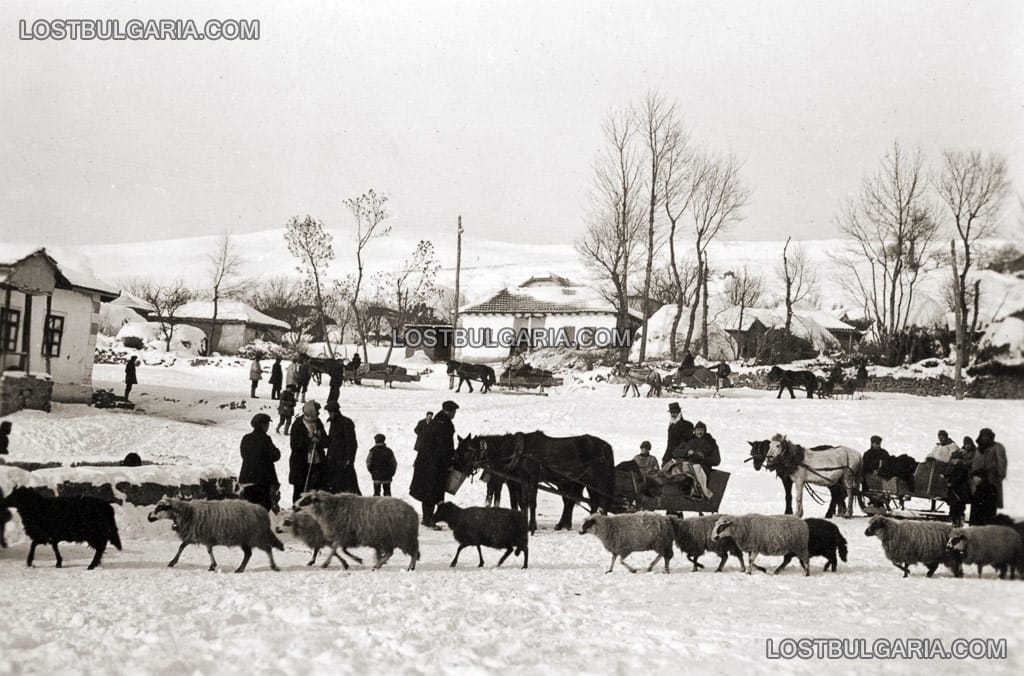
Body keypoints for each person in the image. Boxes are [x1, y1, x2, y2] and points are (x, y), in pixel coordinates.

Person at [410, 400, 458, 529]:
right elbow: (444, 446)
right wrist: (449, 461)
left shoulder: (436, 421)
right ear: (449, 411)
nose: (455, 414)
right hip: (434, 464)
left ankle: (431, 517)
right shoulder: (443, 424)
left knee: (432, 491)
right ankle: (428, 519)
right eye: (454, 412)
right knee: (432, 491)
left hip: (428, 462)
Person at [663, 421, 719, 499]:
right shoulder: (688, 440)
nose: (700, 432)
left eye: (702, 430)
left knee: (696, 467)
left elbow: (716, 460)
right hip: (687, 465)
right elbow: (675, 452)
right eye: (698, 430)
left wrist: (703, 457)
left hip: (702, 467)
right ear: (694, 431)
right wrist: (686, 452)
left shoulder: (710, 442)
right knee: (673, 465)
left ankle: (699, 492)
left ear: (705, 431)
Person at [239, 413, 282, 512]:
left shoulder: (246, 438)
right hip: (262, 481)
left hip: (247, 479)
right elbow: (275, 456)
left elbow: (243, 454)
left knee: (249, 510)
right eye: (267, 424)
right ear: (262, 425)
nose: (268, 427)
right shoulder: (265, 439)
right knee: (262, 510)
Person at [288, 401, 328, 504]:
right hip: (301, 463)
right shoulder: (298, 424)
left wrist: (320, 439)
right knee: (300, 489)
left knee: (316, 488)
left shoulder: (318, 422)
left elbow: (325, 441)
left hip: (317, 462)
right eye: (317, 411)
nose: (318, 414)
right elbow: (294, 445)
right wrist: (308, 440)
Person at [324, 401, 361, 495]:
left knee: (349, 487)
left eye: (330, 412)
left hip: (342, 460)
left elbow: (351, 442)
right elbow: (332, 440)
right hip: (332, 459)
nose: (330, 414)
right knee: (334, 486)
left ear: (335, 411)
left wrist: (349, 458)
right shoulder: (333, 422)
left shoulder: (346, 423)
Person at [973, 428, 1007, 509]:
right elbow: (975, 462)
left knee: (990, 500)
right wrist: (974, 474)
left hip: (991, 477)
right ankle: (977, 520)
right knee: (978, 500)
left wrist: (1000, 475)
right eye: (983, 436)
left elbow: (1001, 461)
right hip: (979, 478)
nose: (985, 438)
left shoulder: (997, 447)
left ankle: (988, 519)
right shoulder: (978, 449)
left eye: (987, 436)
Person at [661, 402, 694, 466]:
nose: (673, 414)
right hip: (671, 455)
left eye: (675, 412)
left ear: (679, 413)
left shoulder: (688, 425)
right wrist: (665, 457)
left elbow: (689, 443)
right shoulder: (671, 426)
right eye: (671, 413)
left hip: (684, 456)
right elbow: (670, 444)